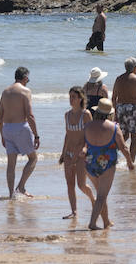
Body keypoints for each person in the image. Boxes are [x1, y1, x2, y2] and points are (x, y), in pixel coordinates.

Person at [82, 98, 134, 229]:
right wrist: (130, 162)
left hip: (89, 163)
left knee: (101, 194)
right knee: (101, 196)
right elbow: (124, 147)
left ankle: (106, 222)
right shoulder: (114, 127)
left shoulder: (87, 126)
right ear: (110, 114)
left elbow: (81, 144)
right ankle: (93, 223)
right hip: (107, 164)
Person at [0, 66, 39, 198]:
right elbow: (30, 115)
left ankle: (11, 195)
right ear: (25, 77)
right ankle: (21, 186)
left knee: (11, 164)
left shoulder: (5, 92)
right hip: (21, 127)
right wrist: (36, 135)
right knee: (33, 158)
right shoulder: (25, 91)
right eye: (28, 79)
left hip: (7, 129)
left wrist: (2, 135)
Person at [57, 85, 93, 219]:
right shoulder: (67, 115)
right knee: (70, 184)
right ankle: (74, 211)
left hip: (81, 155)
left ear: (80, 98)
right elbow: (67, 135)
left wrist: (84, 149)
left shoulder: (86, 114)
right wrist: (63, 153)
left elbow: (90, 134)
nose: (71, 99)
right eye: (70, 96)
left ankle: (94, 201)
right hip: (69, 153)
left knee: (81, 185)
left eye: (74, 97)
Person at [113, 57, 136, 161]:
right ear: (134, 68)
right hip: (134, 110)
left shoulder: (118, 79)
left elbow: (113, 97)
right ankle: (131, 161)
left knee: (123, 136)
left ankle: (112, 153)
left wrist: (115, 112)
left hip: (121, 109)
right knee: (134, 138)